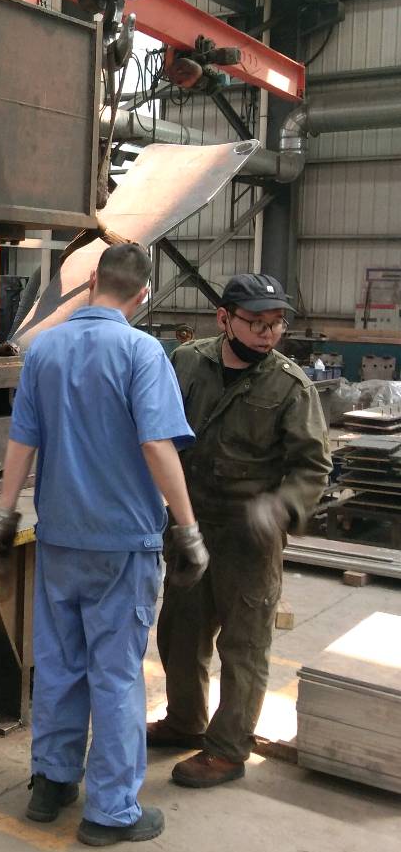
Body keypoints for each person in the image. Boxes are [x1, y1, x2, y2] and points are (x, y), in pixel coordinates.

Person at [0, 242, 209, 847]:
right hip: (121, 545)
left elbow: (21, 440)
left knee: (59, 664)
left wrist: (5, 515)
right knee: (115, 675)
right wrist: (187, 526)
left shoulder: (44, 350)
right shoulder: (142, 352)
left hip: (59, 539)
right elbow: (157, 444)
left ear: (90, 283)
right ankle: (111, 811)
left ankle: (51, 783)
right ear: (142, 294)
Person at [149, 273, 332, 787]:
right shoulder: (188, 362)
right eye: (256, 322)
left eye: (276, 324)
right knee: (180, 633)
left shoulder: (289, 387)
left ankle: (228, 750)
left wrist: (280, 509)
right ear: (224, 319)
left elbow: (312, 467)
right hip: (189, 524)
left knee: (244, 646)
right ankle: (185, 720)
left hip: (250, 538)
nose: (267, 333)